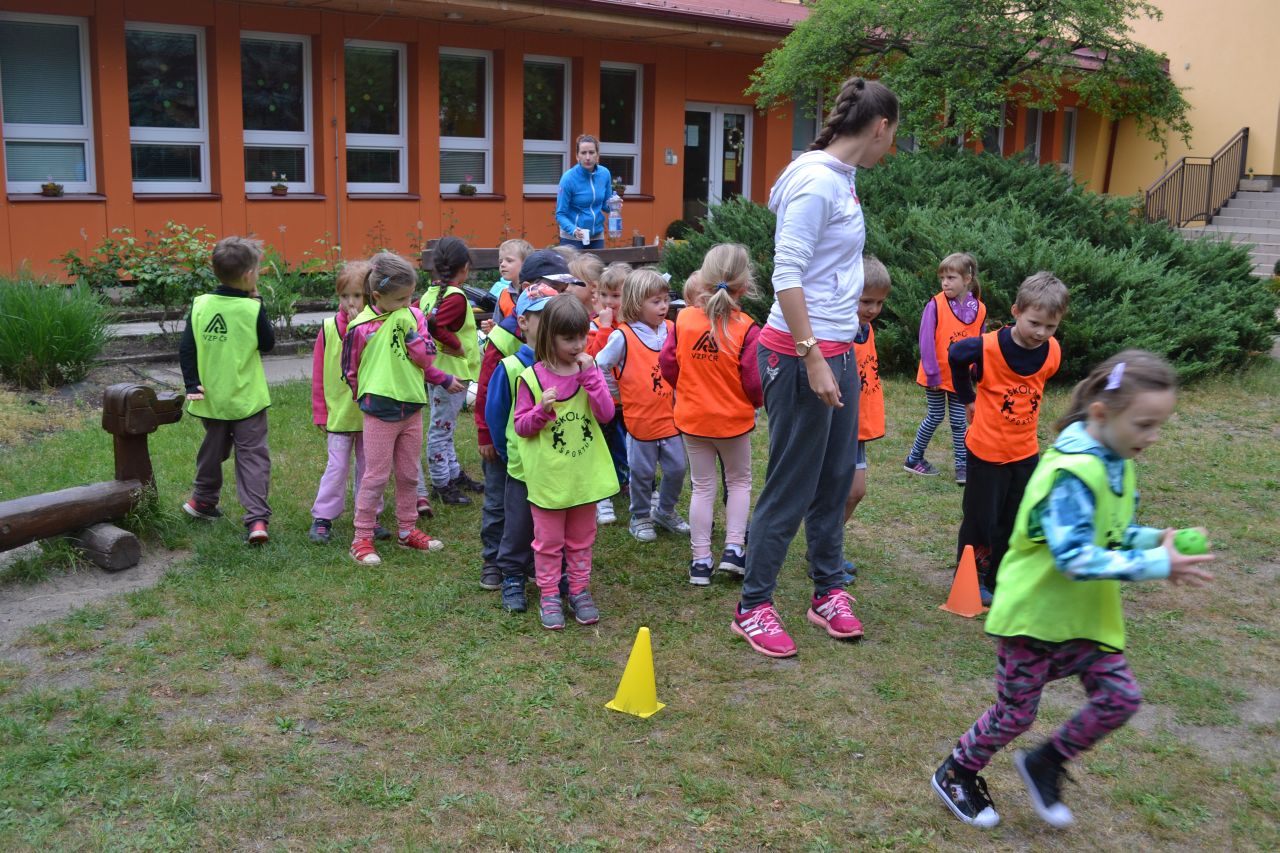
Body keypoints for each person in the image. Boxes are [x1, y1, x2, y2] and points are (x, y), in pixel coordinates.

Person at [932, 350, 1215, 830]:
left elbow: (1111, 532)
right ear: (1101, 414)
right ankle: (956, 772)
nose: (1152, 436)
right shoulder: (1071, 472)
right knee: (1016, 714)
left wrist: (1156, 540)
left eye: (1158, 425)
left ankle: (1044, 762)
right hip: (1033, 617)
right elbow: (1075, 556)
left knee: (1119, 698)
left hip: (1080, 618)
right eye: (1144, 424)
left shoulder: (1116, 460)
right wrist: (1157, 564)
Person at [731, 77, 898, 659]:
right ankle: (753, 605)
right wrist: (812, 357)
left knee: (834, 479)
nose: (891, 146)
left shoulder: (840, 176)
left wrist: (835, 352)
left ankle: (827, 590)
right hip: (800, 352)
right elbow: (787, 274)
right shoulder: (815, 182)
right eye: (893, 136)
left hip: (836, 348)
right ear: (880, 127)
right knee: (793, 483)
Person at [952, 272, 1069, 602]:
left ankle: (999, 577)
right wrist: (968, 398)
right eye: (1034, 323)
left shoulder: (1052, 352)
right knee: (980, 519)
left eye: (1050, 327)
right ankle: (970, 577)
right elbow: (957, 356)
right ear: (1016, 311)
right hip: (986, 452)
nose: (1041, 333)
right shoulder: (987, 347)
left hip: (1024, 453)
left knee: (1014, 518)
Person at [342, 252, 464, 566]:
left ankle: (407, 529)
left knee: (409, 473)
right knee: (375, 476)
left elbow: (426, 360)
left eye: (410, 296)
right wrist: (362, 397)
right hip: (379, 412)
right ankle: (361, 537)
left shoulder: (414, 316)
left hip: (411, 409)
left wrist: (418, 346)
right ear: (377, 296)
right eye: (400, 299)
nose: (408, 303)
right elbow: (351, 369)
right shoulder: (361, 327)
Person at [513, 294, 618, 630]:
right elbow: (521, 427)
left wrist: (591, 378)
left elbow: (606, 414)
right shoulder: (531, 378)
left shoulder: (589, 370)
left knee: (581, 540)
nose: (578, 345)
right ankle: (548, 595)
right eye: (569, 338)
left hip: (583, 477)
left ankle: (579, 590)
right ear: (549, 337)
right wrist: (541, 411)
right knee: (548, 543)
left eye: (582, 336)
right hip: (549, 480)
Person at [659, 244, 762, 585]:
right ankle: (733, 549)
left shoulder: (684, 319)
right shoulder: (747, 328)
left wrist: (688, 388)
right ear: (744, 286)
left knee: (702, 487)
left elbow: (668, 365)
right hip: (732, 422)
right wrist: (754, 403)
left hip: (692, 419)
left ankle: (700, 562)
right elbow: (754, 382)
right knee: (739, 482)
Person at [179, 236, 274, 544]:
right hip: (247, 401)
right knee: (252, 456)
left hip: (211, 399)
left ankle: (202, 500)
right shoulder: (251, 308)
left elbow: (187, 348)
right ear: (249, 276)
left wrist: (191, 383)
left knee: (212, 449)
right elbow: (268, 344)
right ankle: (256, 519)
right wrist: (258, 304)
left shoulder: (201, 305)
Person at [595, 268, 690, 543]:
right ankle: (639, 516)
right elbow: (601, 365)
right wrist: (616, 391)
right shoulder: (622, 336)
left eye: (665, 300)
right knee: (642, 474)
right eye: (656, 301)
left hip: (671, 418)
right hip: (640, 421)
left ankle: (665, 511)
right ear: (637, 304)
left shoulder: (672, 329)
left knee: (677, 469)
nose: (664, 306)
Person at [485, 282, 559, 612]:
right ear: (523, 323)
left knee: (552, 525)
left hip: (557, 465)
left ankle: (546, 570)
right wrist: (507, 453)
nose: (550, 326)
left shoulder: (565, 368)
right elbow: (496, 415)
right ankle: (512, 575)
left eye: (555, 317)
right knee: (517, 525)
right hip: (521, 466)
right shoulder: (511, 367)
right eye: (542, 318)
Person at [307, 260, 390, 545]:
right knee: (337, 467)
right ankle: (323, 516)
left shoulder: (379, 326)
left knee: (370, 468)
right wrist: (321, 411)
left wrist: (362, 325)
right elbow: (319, 372)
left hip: (371, 413)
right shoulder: (329, 327)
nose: (350, 302)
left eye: (357, 296)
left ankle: (369, 515)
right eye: (345, 296)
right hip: (340, 414)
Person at [905, 252, 987, 483]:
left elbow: (980, 342)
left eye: (951, 278)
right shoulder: (935, 305)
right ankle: (913, 458)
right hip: (936, 374)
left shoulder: (980, 309)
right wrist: (932, 373)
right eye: (942, 278)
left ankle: (962, 467)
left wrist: (977, 371)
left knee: (960, 421)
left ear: (967, 279)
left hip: (960, 378)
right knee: (935, 415)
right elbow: (926, 341)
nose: (945, 283)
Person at [419, 236, 483, 509]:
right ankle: (441, 483)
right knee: (440, 429)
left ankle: (453, 474)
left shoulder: (430, 294)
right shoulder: (455, 297)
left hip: (438, 370)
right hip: (451, 375)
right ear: (465, 267)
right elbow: (434, 325)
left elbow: (426, 321)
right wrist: (456, 345)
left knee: (446, 426)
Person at [842, 256, 892, 582]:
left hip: (857, 427)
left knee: (856, 492)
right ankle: (825, 552)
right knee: (832, 492)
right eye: (866, 301)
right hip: (837, 425)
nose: (873, 309)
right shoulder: (839, 332)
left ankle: (825, 545)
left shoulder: (866, 329)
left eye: (879, 303)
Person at [589, 261, 631, 525]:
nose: (608, 302)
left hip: (629, 399)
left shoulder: (633, 326)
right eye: (603, 295)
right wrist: (605, 329)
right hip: (602, 401)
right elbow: (594, 358)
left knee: (626, 445)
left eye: (615, 295)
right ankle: (601, 497)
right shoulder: (594, 326)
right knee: (602, 446)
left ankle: (625, 481)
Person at [555, 134, 612, 250]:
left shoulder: (605, 174)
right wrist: (573, 230)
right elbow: (560, 214)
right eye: (583, 153)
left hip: (596, 236)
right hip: (572, 237)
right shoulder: (568, 178)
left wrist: (614, 205)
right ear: (577, 156)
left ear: (597, 155)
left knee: (597, 263)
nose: (588, 157)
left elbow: (606, 206)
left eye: (591, 152)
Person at [490, 238, 535, 323]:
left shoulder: (536, 293)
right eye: (500, 261)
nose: (502, 264)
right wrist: (493, 327)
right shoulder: (503, 295)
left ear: (526, 263)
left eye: (509, 260)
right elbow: (499, 324)